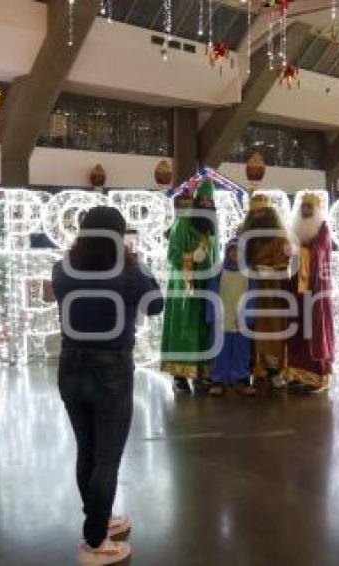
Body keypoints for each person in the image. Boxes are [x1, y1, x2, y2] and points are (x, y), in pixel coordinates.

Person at [51, 206, 163, 565]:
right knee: (106, 457)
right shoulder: (129, 273)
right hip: (111, 371)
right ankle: (95, 542)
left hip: (70, 366)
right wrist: (141, 265)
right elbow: (156, 305)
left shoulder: (62, 269)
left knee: (88, 450)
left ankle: (98, 520)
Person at [161, 180, 219, 393]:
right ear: (196, 201)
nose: (206, 203)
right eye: (203, 199)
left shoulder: (212, 225)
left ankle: (201, 373)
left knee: (202, 329)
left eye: (210, 200)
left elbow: (216, 254)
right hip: (184, 284)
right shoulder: (183, 223)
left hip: (205, 285)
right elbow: (173, 255)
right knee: (183, 329)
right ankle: (179, 375)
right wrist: (191, 257)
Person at [238, 193, 292, 389]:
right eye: (255, 212)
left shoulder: (281, 237)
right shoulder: (243, 235)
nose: (259, 215)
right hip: (249, 288)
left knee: (272, 332)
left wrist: (269, 270)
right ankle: (252, 369)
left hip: (272, 291)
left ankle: (274, 371)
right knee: (249, 331)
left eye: (263, 211)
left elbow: (284, 263)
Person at [283, 194, 335, 393]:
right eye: (303, 207)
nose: (305, 211)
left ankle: (318, 377)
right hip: (298, 287)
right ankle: (297, 373)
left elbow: (320, 252)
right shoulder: (296, 228)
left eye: (309, 208)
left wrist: (300, 251)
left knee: (315, 329)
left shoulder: (322, 229)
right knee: (297, 328)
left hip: (316, 287)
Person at [207, 239, 255, 396]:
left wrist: (248, 317)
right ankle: (219, 380)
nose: (235, 253)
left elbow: (253, 296)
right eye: (231, 250)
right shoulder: (218, 271)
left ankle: (241, 379)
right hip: (222, 317)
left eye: (238, 250)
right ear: (227, 252)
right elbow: (211, 294)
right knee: (221, 350)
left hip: (240, 318)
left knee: (241, 350)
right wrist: (212, 315)